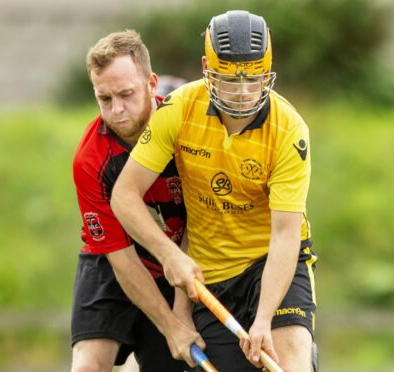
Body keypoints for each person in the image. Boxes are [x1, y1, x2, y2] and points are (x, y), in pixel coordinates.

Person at [111, 10, 318, 371]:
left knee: (290, 361)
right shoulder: (178, 110)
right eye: (228, 79)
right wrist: (169, 255)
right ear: (207, 67)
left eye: (252, 80)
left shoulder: (289, 130)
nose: (241, 92)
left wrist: (265, 318)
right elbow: (124, 196)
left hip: (271, 262)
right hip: (212, 276)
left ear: (268, 71)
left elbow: (285, 234)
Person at [70, 30, 204, 372]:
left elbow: (199, 226)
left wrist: (181, 311)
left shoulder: (186, 134)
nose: (117, 110)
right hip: (115, 264)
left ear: (151, 83)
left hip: (183, 260)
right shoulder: (90, 160)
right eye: (104, 99)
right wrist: (170, 326)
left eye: (126, 94)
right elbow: (122, 260)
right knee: (88, 366)